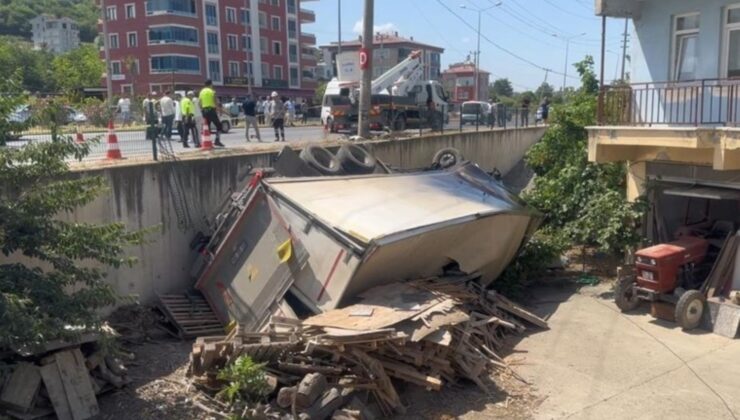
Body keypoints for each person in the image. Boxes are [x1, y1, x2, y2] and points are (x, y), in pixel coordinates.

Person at [198, 79, 225, 147]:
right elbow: (215, 103)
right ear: (211, 84)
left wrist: (202, 110)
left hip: (204, 111)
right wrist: (220, 110)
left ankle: (208, 142)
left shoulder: (201, 92)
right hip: (211, 110)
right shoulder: (212, 92)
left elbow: (199, 103)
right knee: (219, 125)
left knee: (207, 127)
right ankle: (217, 140)